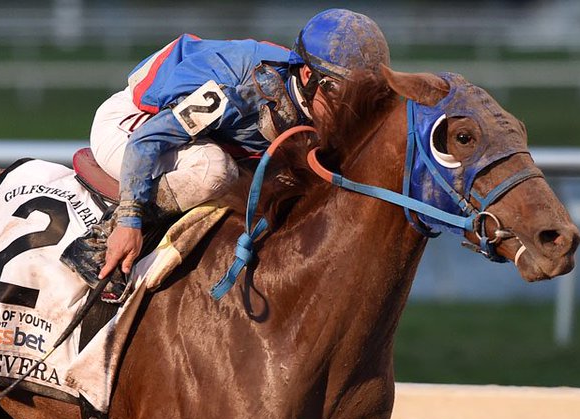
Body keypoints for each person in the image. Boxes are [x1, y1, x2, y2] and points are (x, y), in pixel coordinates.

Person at [62, 8, 391, 295]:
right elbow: (147, 141)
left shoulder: (313, 97)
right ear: (308, 76)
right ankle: (101, 240)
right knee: (215, 170)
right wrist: (129, 222)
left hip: (190, 137)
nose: (352, 110)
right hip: (134, 125)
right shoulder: (238, 91)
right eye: (343, 93)